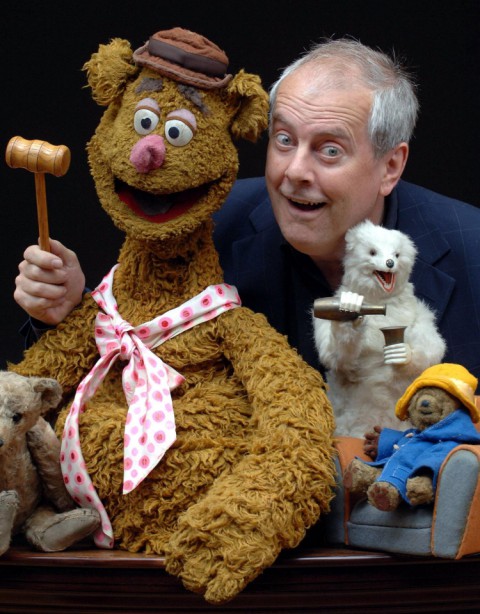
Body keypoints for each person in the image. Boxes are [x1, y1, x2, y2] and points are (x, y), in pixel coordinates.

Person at [14, 38, 480, 384]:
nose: (293, 171)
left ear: (390, 166)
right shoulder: (207, 224)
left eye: (329, 150)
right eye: (284, 140)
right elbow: (118, 371)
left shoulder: (470, 248)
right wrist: (71, 307)